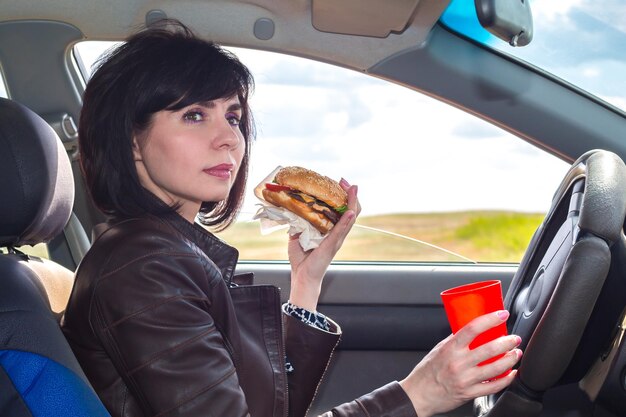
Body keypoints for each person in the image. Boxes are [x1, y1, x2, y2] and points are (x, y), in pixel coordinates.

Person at [61, 20, 523, 417]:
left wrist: (306, 282)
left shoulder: (163, 252)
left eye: (235, 116)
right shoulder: (144, 269)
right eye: (195, 115)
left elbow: (267, 407)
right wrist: (422, 393)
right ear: (133, 140)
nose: (229, 139)